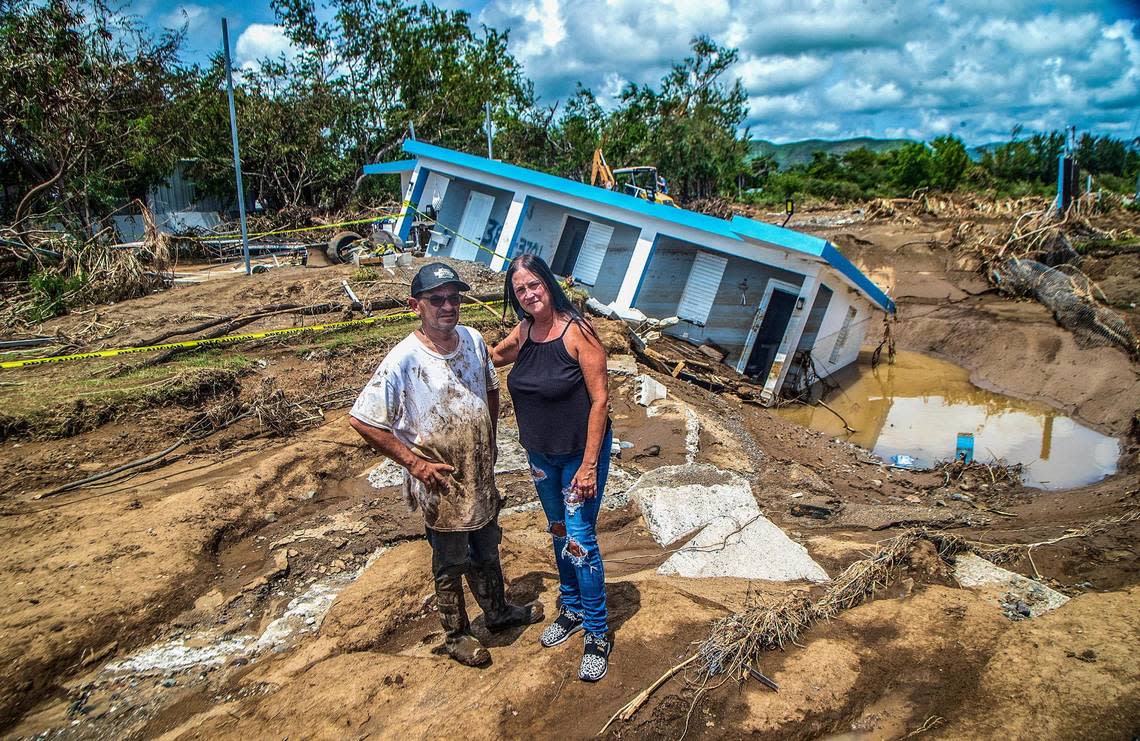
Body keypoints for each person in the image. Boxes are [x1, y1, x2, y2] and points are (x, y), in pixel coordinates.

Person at [349, 262, 543, 667]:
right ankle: (457, 634)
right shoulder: (403, 359)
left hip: (478, 472)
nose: (447, 306)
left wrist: (487, 441)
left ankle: (498, 611)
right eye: (436, 299)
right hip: (441, 482)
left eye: (454, 298)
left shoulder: (471, 340)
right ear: (415, 306)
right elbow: (363, 420)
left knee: (487, 547)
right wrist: (416, 465)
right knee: (450, 559)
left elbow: (490, 387)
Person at [491, 254, 614, 682]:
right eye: (520, 289)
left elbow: (600, 400)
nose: (529, 294)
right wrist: (448, 347)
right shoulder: (524, 332)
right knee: (559, 531)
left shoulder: (578, 332)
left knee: (581, 539)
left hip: (581, 456)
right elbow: (492, 357)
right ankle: (573, 608)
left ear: (548, 283)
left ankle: (598, 633)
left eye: (534, 284)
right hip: (541, 456)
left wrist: (590, 466)